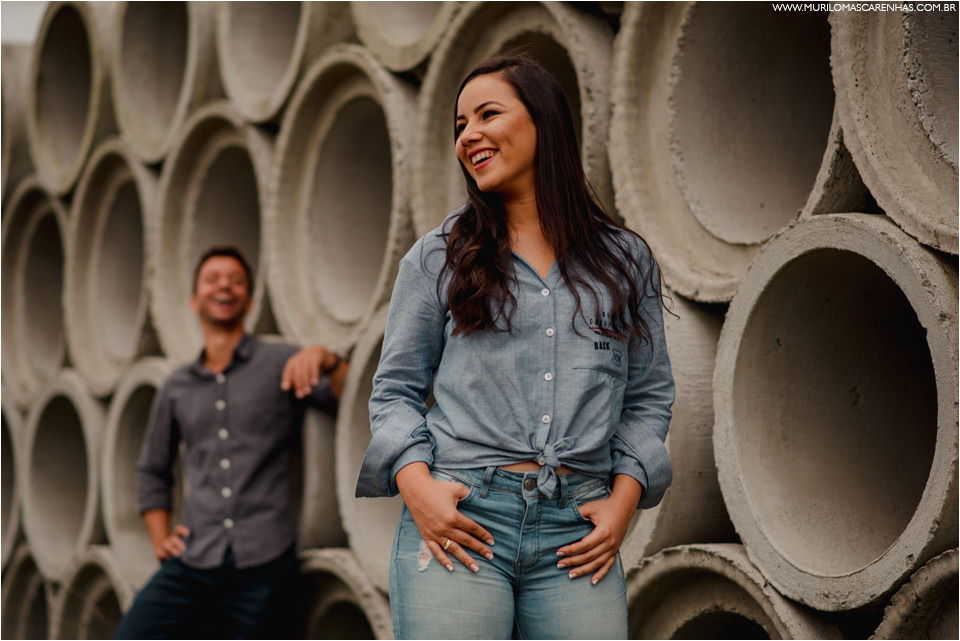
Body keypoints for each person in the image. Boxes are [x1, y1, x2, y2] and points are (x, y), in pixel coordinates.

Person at [355, 55, 675, 639]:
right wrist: (417, 487)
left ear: (543, 121)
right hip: (463, 519)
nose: (469, 134)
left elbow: (648, 396)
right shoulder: (438, 256)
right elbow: (395, 390)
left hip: (578, 529)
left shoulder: (625, 261)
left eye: (487, 114)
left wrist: (625, 498)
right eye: (460, 125)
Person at [114, 246, 349, 639]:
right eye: (213, 279)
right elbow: (153, 469)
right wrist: (161, 539)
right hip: (193, 558)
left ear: (250, 300)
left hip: (265, 562)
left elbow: (353, 402)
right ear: (194, 299)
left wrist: (328, 359)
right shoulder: (176, 386)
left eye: (236, 280)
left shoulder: (282, 362)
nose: (225, 286)